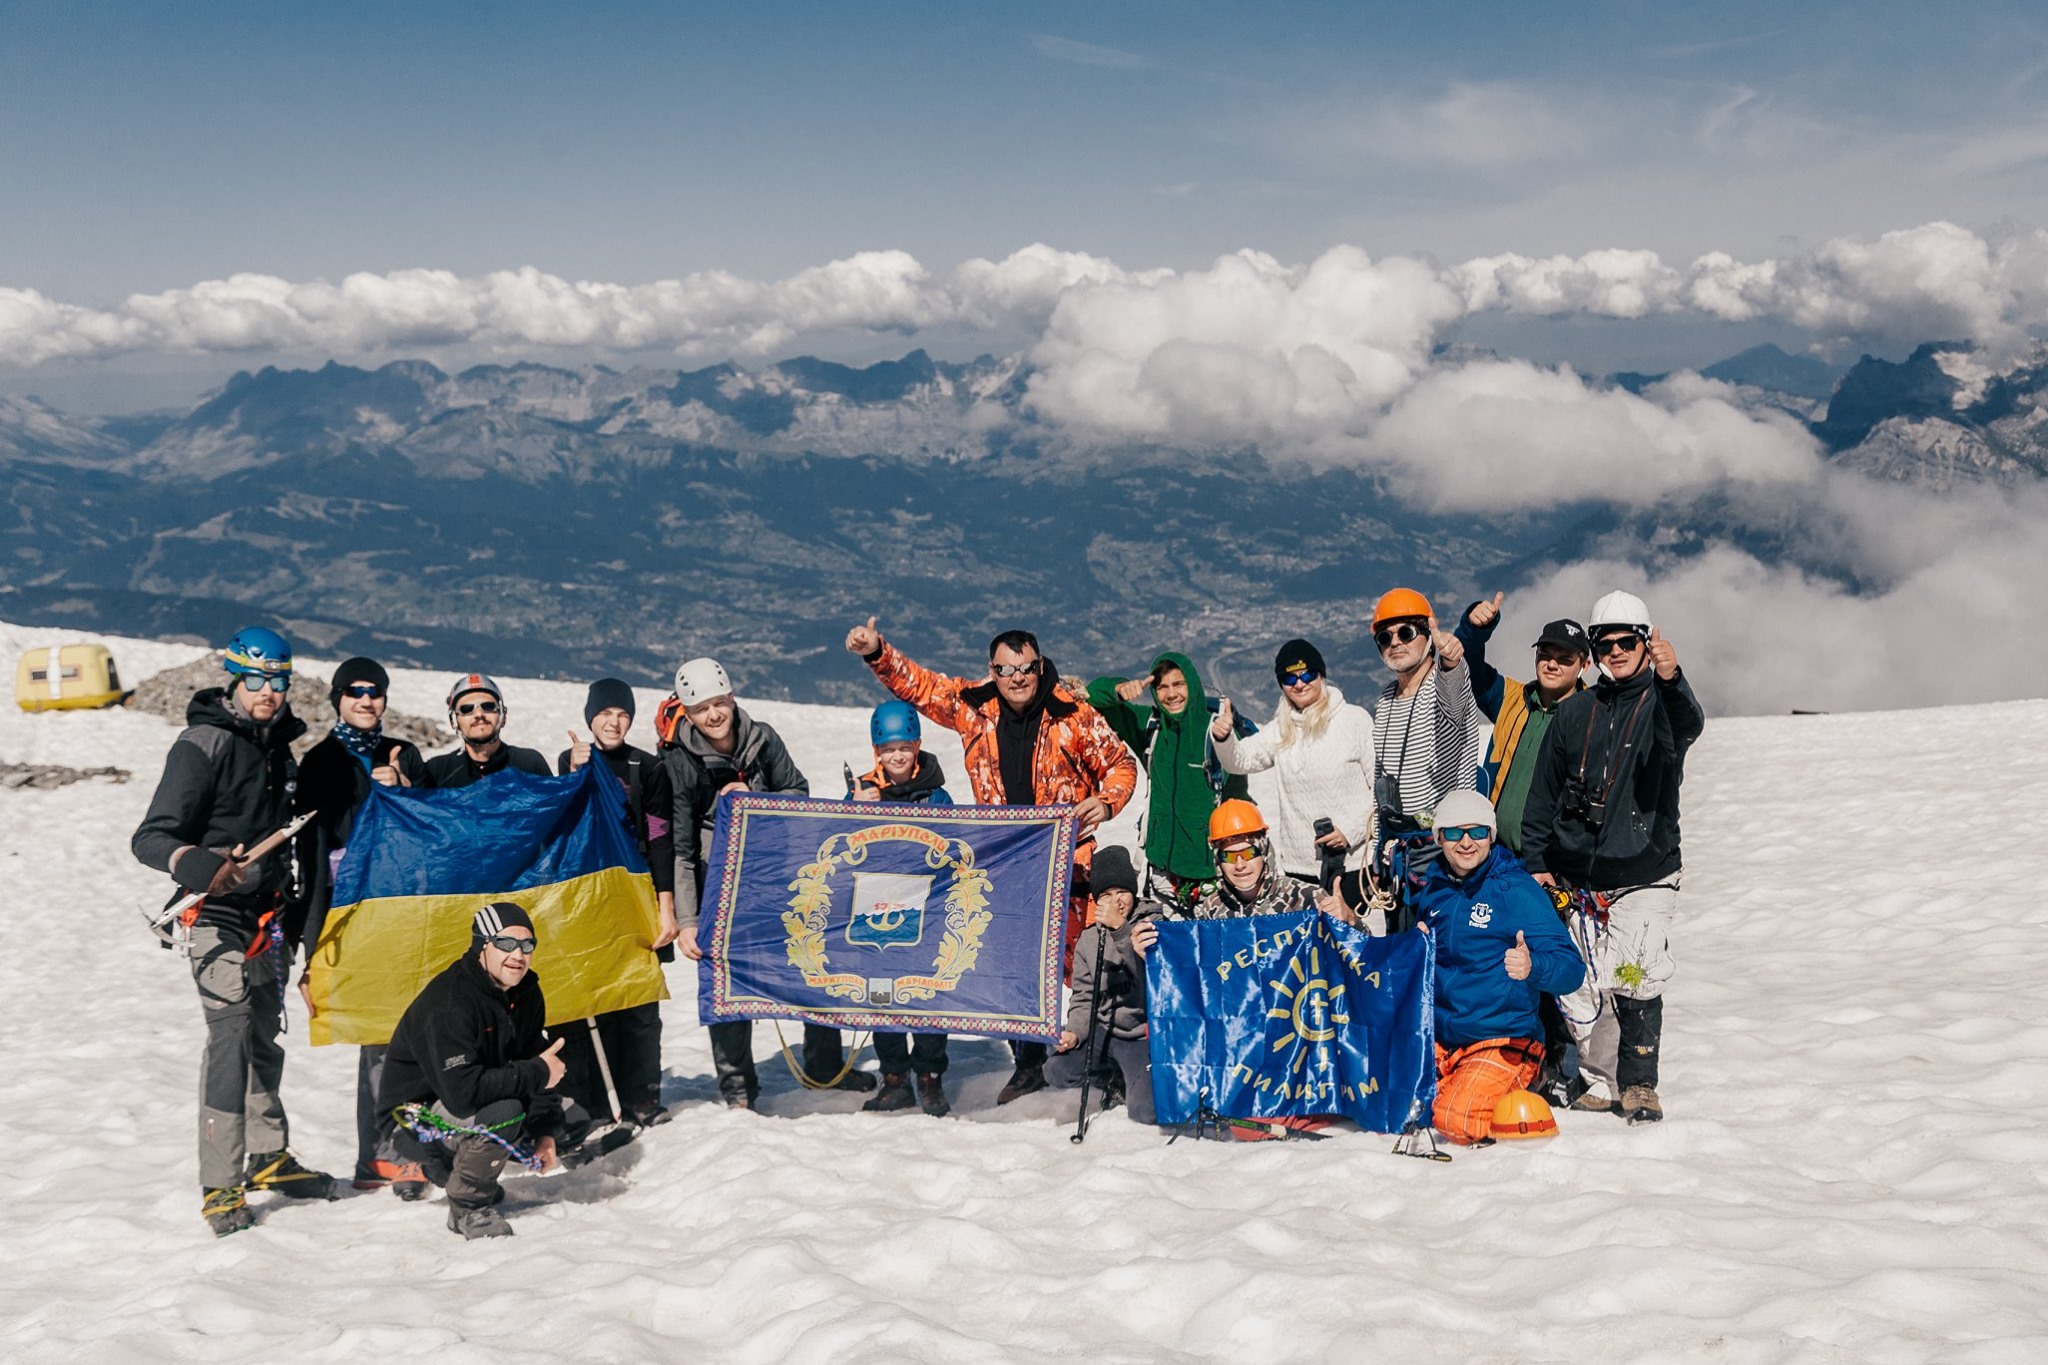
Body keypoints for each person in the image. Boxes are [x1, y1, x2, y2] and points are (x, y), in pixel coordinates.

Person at [845, 616, 1139, 1104]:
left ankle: (1101, 1059)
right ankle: (1029, 1064)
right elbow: (923, 688)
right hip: (1006, 863)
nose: (1017, 678)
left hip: (1070, 864)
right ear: (993, 671)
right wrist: (877, 651)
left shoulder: (1074, 716)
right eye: (1006, 670)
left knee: (1087, 963)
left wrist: (1107, 801)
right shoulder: (975, 707)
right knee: (1013, 967)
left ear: (1039, 665)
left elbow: (1120, 764)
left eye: (1025, 667)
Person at [130, 626, 336, 1236]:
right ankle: (220, 1185)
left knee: (265, 1037)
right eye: (257, 679)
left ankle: (268, 1157)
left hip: (268, 917)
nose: (268, 691)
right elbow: (151, 837)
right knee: (229, 1037)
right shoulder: (204, 744)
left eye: (279, 680)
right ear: (234, 678)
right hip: (212, 915)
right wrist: (203, 866)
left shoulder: (280, 750)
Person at [1521, 590, 1704, 1125]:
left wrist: (1673, 679)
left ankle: (1640, 1083)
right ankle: (1600, 1080)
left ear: (1647, 643)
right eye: (1607, 643)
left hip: (1645, 868)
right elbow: (1542, 795)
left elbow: (1688, 726)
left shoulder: (1661, 706)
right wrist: (1536, 859)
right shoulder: (1577, 711)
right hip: (1576, 873)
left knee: (1636, 972)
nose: (1617, 651)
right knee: (1589, 981)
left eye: (1629, 641)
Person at [662, 657, 874, 1107]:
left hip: (778, 877)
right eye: (701, 709)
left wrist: (754, 801)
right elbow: (681, 847)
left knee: (811, 963)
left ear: (732, 697)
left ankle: (823, 1066)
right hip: (719, 887)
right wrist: (687, 919)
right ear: (688, 712)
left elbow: (798, 792)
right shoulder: (679, 761)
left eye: (718, 703)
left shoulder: (762, 739)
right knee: (725, 980)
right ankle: (738, 1089)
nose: (713, 715)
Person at [291, 656, 431, 1198]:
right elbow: (312, 854)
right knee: (378, 1034)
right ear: (338, 699)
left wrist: (400, 789)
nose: (367, 700)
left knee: (411, 1031)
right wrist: (312, 947)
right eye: (355, 692)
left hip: (408, 909)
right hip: (352, 913)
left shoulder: (405, 753)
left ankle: (397, 1153)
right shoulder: (321, 761)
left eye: (376, 692)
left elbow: (431, 826)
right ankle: (383, 1156)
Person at [378, 902, 592, 1240]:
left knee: (572, 1119)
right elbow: (463, 1095)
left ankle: (458, 1168)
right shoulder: (451, 1001)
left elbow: (537, 1056)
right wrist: (537, 1072)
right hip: (413, 1119)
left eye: (527, 945)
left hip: (466, 1100)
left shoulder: (525, 992)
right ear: (482, 946)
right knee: (508, 1112)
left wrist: (546, 1132)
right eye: (506, 943)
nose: (518, 955)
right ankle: (468, 1206)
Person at [1166, 801, 1353, 1139]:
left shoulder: (1303, 896)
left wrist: (1349, 922)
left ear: (1263, 850)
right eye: (1228, 856)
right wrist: (1149, 950)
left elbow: (1361, 958)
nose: (1239, 865)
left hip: (1299, 1034)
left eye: (1248, 852)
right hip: (1243, 1039)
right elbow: (1193, 981)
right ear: (1217, 861)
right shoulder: (1209, 913)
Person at [1414, 790, 1585, 1145]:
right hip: (1443, 1038)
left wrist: (1533, 966)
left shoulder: (1515, 891)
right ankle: (1458, 1083)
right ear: (1439, 838)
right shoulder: (1435, 888)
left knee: (1455, 1122)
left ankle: (1518, 1078)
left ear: (1491, 836)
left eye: (1477, 832)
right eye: (1454, 833)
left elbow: (1572, 968)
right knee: (1391, 1103)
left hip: (1502, 1038)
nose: (1466, 843)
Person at [556, 678, 680, 1129]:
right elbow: (563, 825)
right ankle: (596, 1100)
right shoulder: (573, 761)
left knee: (641, 1001)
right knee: (596, 1000)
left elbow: (662, 837)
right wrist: (573, 772)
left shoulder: (647, 767)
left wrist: (666, 907)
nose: (613, 721)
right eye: (605, 713)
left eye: (622, 714)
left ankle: (643, 1096)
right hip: (590, 898)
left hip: (637, 892)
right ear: (590, 717)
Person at [1209, 638, 1376, 911]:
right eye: (1289, 678)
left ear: (1321, 675)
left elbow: (1380, 790)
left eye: (1307, 674)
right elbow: (1240, 760)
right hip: (1300, 867)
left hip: (1352, 862)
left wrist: (1350, 830)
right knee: (1307, 947)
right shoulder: (1282, 728)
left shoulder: (1354, 720)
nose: (1299, 684)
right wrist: (1224, 738)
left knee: (1348, 942)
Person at [849, 700, 957, 1117]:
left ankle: (930, 1075)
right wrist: (856, 812)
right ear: (877, 751)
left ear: (917, 746)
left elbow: (951, 846)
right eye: (888, 749)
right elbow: (841, 846)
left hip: (924, 909)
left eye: (904, 747)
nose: (896, 756)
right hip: (874, 908)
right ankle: (894, 1075)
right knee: (882, 991)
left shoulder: (936, 793)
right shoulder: (861, 790)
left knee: (925, 990)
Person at [1084, 651, 1249, 906]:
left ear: (1192, 684)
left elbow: (1238, 801)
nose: (1171, 694)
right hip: (1162, 877)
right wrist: (1119, 689)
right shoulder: (1152, 726)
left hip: (1213, 879)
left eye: (1178, 684)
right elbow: (1092, 696)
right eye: (1162, 687)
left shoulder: (1216, 730)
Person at [1367, 589, 1486, 923]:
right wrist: (1379, 847)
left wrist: (1450, 661)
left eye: (1406, 632)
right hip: (1402, 855)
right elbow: (1382, 779)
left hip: (1444, 854)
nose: (1395, 642)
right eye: (1384, 637)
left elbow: (1455, 697)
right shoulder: (1386, 699)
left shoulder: (1444, 682)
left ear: (1427, 636)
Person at [1453, 596, 1591, 856]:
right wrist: (1475, 628)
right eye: (1545, 655)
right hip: (1494, 852)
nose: (1551, 664)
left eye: (1564, 659)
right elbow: (1465, 667)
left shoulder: (1592, 716)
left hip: (1550, 864)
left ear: (1584, 666)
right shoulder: (1510, 697)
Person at [1042, 847, 1161, 1124]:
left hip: (1143, 1035)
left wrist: (1122, 931)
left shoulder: (1153, 925)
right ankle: (1111, 1078)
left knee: (1146, 1111)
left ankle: (1137, 1077)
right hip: (1105, 1031)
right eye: (1106, 894)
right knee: (1056, 1070)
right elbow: (1084, 997)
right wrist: (1075, 1032)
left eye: (1122, 892)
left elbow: (1157, 978)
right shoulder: (1089, 940)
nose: (1115, 901)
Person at [422, 673, 551, 788]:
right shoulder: (437, 771)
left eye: (488, 706)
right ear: (453, 721)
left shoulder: (529, 763)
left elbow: (556, 808)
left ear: (503, 716)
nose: (478, 714)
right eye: (466, 709)